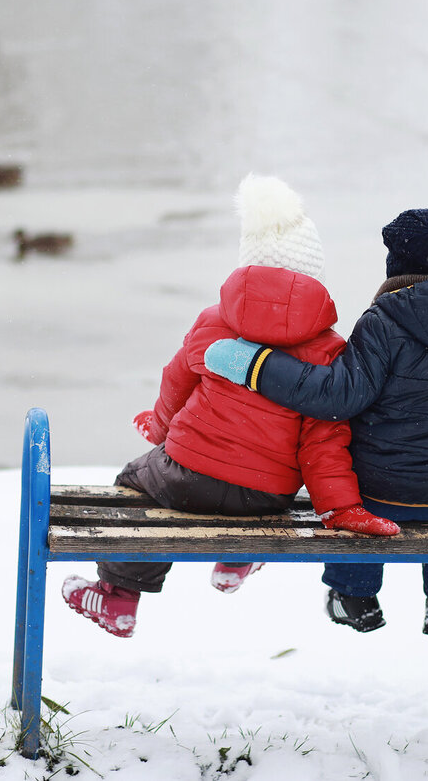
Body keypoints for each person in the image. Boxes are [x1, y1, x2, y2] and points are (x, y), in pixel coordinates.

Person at [62, 174, 399, 638]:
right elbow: (324, 442)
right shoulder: (327, 349)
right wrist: (339, 507)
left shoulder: (213, 322)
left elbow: (175, 382)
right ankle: (237, 557)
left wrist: (159, 428)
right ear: (313, 276)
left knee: (134, 482)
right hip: (264, 497)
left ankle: (120, 595)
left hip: (183, 477)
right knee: (251, 490)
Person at [204, 207, 428, 638]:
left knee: (357, 491)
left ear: (394, 265)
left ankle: (354, 595)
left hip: (374, 492)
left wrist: (257, 364)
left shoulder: (382, 324)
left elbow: (337, 397)